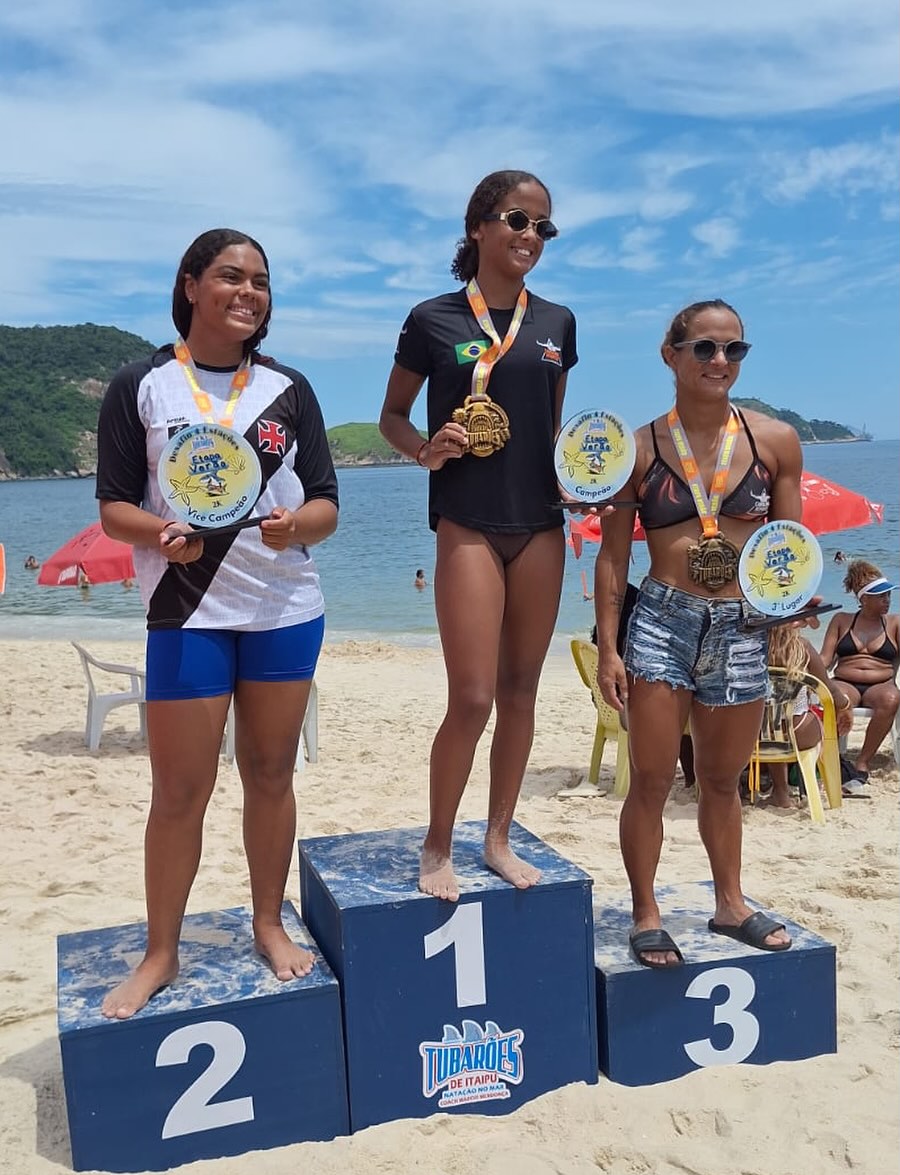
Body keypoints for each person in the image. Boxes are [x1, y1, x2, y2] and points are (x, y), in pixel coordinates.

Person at [95, 228, 339, 1019]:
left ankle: (268, 922)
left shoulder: (289, 389)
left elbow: (327, 506)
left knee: (270, 776)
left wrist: (295, 526)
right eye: (231, 276)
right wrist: (160, 531)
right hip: (186, 610)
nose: (249, 292)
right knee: (179, 792)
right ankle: (160, 952)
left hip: (283, 608)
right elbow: (115, 508)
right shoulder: (142, 385)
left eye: (260, 281)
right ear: (191, 284)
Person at [379, 169, 576, 901]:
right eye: (517, 220)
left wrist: (581, 480)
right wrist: (425, 450)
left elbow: (552, 429)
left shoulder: (557, 322)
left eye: (543, 227)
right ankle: (438, 844)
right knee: (471, 697)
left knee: (521, 691)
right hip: (467, 521)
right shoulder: (432, 318)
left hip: (542, 524)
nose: (531, 235)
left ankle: (497, 837)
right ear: (478, 227)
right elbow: (393, 417)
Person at [595, 298, 805, 967]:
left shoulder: (776, 441)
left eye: (734, 349)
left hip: (741, 626)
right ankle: (646, 912)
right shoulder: (639, 449)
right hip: (663, 619)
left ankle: (730, 904)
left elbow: (789, 547)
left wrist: (786, 618)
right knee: (652, 779)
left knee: (722, 779)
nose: (720, 360)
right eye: (705, 348)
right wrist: (608, 648)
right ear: (671, 355)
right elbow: (612, 557)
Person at [820, 561, 900, 781]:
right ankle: (834, 757)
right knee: (835, 697)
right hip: (845, 681)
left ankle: (863, 761)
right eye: (881, 596)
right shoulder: (842, 620)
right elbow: (825, 659)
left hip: (881, 685)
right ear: (864, 599)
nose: (887, 600)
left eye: (888, 595)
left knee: (891, 699)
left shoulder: (894, 623)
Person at [763, 624, 853, 807]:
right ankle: (816, 782)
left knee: (772, 721)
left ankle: (780, 791)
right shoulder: (801, 647)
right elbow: (828, 689)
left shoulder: (747, 647)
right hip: (798, 732)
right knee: (802, 722)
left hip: (751, 734)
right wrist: (846, 706)